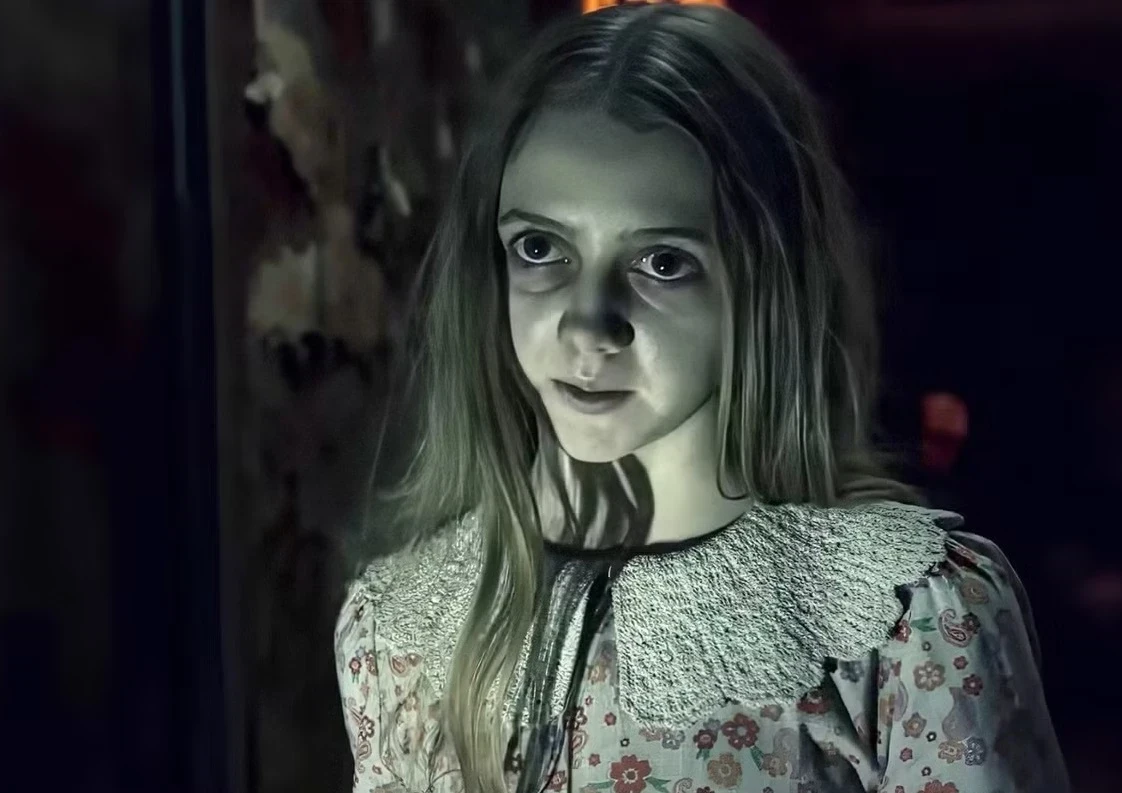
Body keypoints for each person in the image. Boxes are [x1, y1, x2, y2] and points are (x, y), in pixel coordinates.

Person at [334, 5, 1068, 792]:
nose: (588, 324)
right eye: (539, 248)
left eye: (661, 262)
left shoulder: (902, 619)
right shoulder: (399, 623)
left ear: (765, 282)